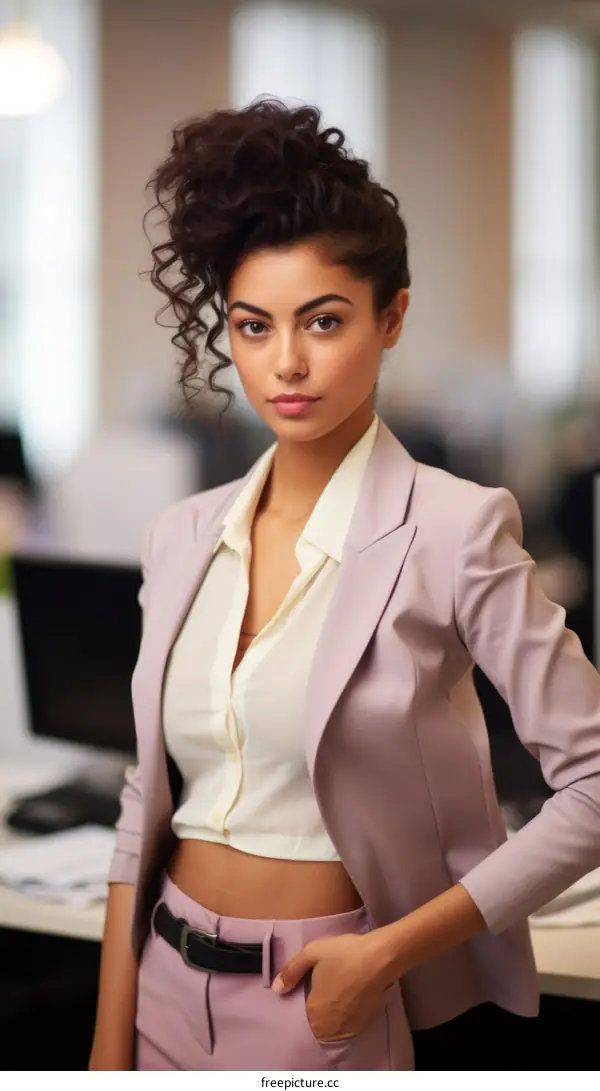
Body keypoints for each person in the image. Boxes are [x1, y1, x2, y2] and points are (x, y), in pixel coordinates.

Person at [89, 99, 600, 1072]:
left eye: (323, 321)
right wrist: (107, 1048)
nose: (286, 362)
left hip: (320, 1000)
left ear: (390, 316)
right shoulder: (181, 535)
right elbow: (142, 796)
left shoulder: (455, 528)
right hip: (160, 986)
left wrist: (387, 952)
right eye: (253, 326)